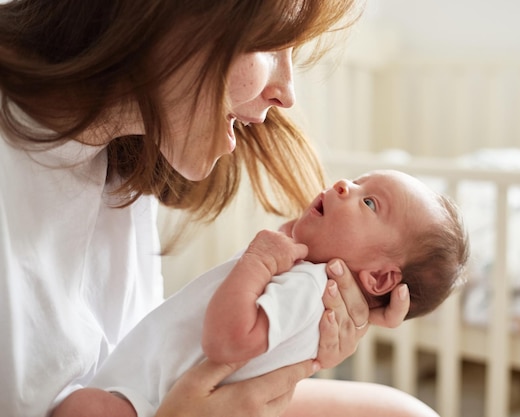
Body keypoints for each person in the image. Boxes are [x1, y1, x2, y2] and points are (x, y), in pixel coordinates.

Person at [0, 1, 437, 417]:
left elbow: (157, 343)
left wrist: (347, 302)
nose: (286, 94)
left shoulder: (123, 155)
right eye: (271, 44)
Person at [52, 169, 469, 417]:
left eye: (371, 204)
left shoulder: (308, 289)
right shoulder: (310, 280)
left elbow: (228, 341)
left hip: (153, 401)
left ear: (380, 279)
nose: (344, 185)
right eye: (358, 182)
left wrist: (258, 260)